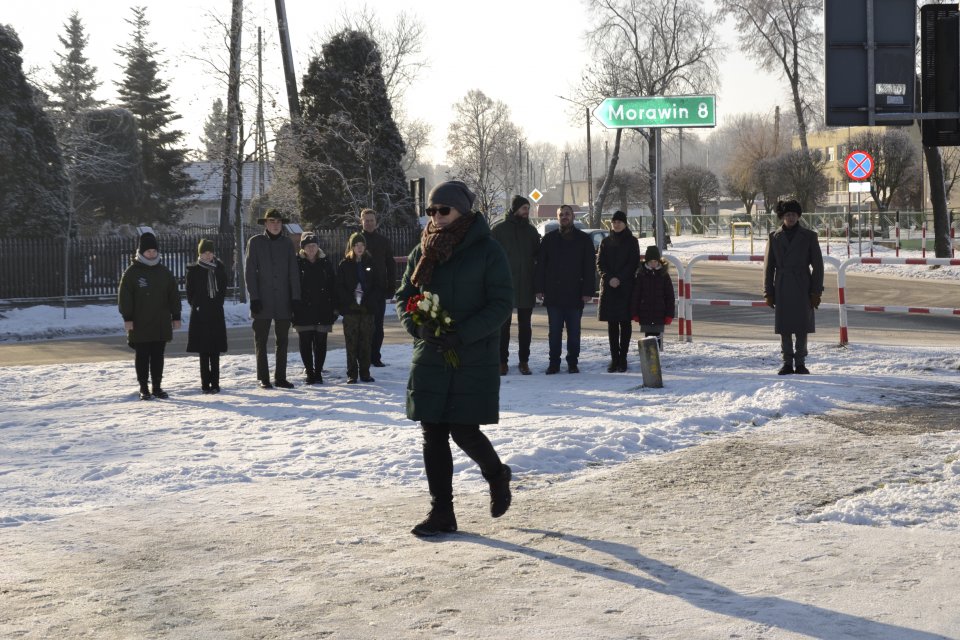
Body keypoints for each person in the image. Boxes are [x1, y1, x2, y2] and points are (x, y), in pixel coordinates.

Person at [396, 180, 514, 537]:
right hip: (431, 354)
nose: (436, 216)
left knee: (464, 429)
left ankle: (497, 474)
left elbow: (501, 304)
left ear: (462, 211)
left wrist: (462, 333)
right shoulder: (423, 250)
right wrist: (419, 327)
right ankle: (442, 511)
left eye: (443, 210)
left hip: (471, 355)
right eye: (431, 210)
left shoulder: (488, 251)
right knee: (432, 432)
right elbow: (404, 295)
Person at [118, 231, 181, 400]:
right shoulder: (132, 273)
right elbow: (124, 298)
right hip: (140, 323)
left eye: (154, 251)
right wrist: (127, 318)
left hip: (161, 322)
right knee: (142, 356)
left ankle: (157, 387)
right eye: (148, 251)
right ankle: (143, 387)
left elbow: (174, 295)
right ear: (141, 252)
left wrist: (176, 316)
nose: (151, 254)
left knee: (158, 356)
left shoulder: (164, 272)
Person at [763, 199, 824, 375]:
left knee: (802, 326)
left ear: (798, 216)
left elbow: (818, 266)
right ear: (782, 216)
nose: (791, 218)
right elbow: (768, 267)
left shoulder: (809, 236)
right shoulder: (774, 237)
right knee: (785, 327)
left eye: (794, 215)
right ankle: (787, 362)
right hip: (782, 285)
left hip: (802, 285)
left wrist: (816, 291)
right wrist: (768, 292)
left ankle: (801, 362)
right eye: (788, 214)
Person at [535, 204, 596, 374]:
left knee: (574, 332)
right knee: (554, 332)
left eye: (567, 214)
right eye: (561, 214)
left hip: (575, 293)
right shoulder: (549, 239)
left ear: (573, 216)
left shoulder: (583, 239)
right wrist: (539, 288)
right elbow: (541, 266)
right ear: (557, 217)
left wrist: (587, 291)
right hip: (553, 293)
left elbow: (589, 267)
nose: (564, 217)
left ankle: (572, 362)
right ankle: (554, 363)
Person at [245, 208, 301, 389]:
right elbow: (250, 272)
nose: (275, 225)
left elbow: (293, 272)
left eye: (278, 222)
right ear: (265, 224)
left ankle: (281, 377)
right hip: (262, 300)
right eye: (272, 221)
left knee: (282, 341)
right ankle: (263, 377)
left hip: (284, 300)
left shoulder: (287, 243)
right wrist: (254, 297)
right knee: (261, 340)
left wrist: (295, 297)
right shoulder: (255, 242)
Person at [490, 195, 540, 376]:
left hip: (526, 284)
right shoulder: (499, 230)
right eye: (524, 208)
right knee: (503, 327)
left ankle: (524, 361)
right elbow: (491, 258)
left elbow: (538, 257)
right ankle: (502, 362)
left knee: (525, 327)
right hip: (505, 285)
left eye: (528, 208)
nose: (527, 211)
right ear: (515, 209)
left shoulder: (531, 231)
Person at [337, 233, 384, 384]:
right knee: (351, 343)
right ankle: (352, 373)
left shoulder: (371, 262)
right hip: (351, 310)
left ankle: (365, 372)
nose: (360, 248)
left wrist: (369, 302)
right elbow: (340, 287)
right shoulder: (344, 264)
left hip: (367, 310)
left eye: (362, 245)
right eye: (357, 245)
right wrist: (349, 302)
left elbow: (378, 285)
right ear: (352, 247)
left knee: (366, 342)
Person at [597, 210, 640, 372]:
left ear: (625, 223)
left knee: (625, 323)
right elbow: (600, 263)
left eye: (619, 222)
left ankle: (623, 358)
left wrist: (620, 278)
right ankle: (614, 358)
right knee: (612, 324)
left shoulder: (632, 241)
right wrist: (609, 278)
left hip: (625, 287)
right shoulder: (605, 241)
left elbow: (633, 263)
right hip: (609, 288)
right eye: (614, 222)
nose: (616, 225)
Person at [293, 231, 338, 385]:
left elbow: (333, 285)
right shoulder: (296, 263)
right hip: (302, 309)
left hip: (323, 309)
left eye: (314, 245)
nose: (311, 249)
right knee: (305, 342)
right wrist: (292, 307)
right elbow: (291, 285)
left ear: (318, 247)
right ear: (303, 248)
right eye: (308, 246)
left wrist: (335, 308)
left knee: (320, 343)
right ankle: (309, 372)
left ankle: (318, 372)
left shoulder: (325, 262)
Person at [185, 238, 227, 393]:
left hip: (215, 313)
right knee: (203, 351)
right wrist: (196, 305)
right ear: (200, 254)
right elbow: (190, 292)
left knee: (215, 351)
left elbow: (223, 288)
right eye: (204, 253)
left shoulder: (219, 269)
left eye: (210, 252)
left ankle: (215, 383)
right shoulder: (194, 271)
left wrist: (218, 303)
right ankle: (205, 384)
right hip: (200, 314)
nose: (208, 255)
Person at [359, 208, 396, 368]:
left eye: (371, 220)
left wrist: (391, 286)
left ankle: (375, 356)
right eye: (366, 220)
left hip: (380, 289)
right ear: (361, 221)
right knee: (363, 326)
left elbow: (390, 264)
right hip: (361, 290)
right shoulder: (356, 240)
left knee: (378, 326)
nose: (369, 223)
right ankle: (363, 357)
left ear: (376, 222)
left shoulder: (383, 241)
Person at [631, 245, 675, 351]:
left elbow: (670, 296)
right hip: (645, 312)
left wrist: (669, 314)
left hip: (660, 313)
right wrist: (634, 313)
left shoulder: (664, 275)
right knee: (648, 336)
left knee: (657, 336)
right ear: (647, 262)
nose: (653, 264)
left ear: (659, 261)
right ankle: (649, 356)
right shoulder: (641, 275)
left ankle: (656, 356)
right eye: (651, 262)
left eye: (655, 261)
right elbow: (636, 295)